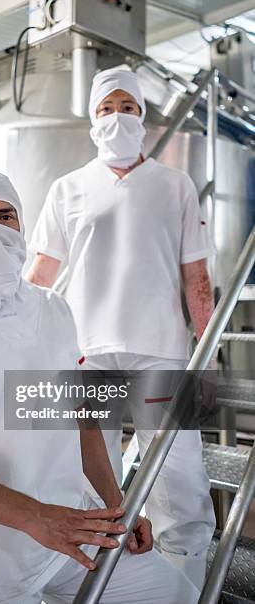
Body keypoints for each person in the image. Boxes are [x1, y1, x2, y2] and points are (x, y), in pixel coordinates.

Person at [0, 172, 198, 604]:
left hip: (69, 536)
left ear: (21, 224)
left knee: (177, 594)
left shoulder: (54, 310)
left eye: (4, 215)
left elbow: (83, 420)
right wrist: (37, 519)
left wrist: (115, 509)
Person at [27, 67, 217, 590]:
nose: (117, 118)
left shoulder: (175, 186)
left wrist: (206, 351)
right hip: (88, 354)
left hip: (160, 350)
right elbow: (41, 273)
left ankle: (186, 585)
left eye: (127, 107)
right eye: (107, 108)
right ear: (93, 119)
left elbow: (196, 277)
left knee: (178, 475)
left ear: (143, 117)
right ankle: (105, 584)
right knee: (89, 473)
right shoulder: (68, 189)